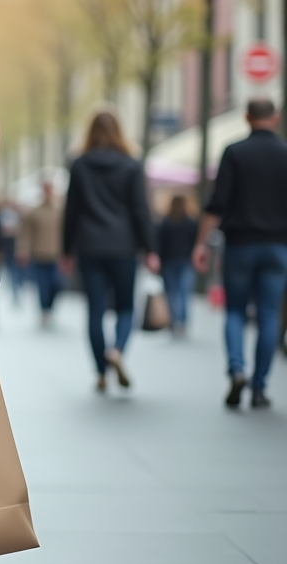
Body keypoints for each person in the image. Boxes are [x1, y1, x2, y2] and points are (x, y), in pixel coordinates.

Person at [193, 98, 287, 410]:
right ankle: (259, 387)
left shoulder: (234, 152)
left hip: (239, 246)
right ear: (276, 118)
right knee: (268, 315)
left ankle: (236, 369)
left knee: (234, 311)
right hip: (277, 246)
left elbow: (217, 203)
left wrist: (201, 244)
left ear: (247, 118)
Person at [62, 106, 157, 393]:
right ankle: (117, 350)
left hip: (90, 246)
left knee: (96, 309)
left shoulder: (78, 164)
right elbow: (141, 210)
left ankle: (101, 373)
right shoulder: (131, 164)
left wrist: (66, 250)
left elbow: (71, 211)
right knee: (126, 306)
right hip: (124, 246)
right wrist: (150, 248)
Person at [17, 180, 63, 328]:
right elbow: (26, 233)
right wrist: (23, 250)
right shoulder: (35, 211)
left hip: (57, 255)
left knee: (57, 284)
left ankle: (50, 307)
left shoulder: (60, 210)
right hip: (39, 254)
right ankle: (44, 311)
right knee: (42, 285)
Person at [156, 194, 198, 338]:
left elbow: (159, 244)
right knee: (184, 293)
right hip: (186, 261)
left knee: (172, 293)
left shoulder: (166, 223)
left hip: (169, 262)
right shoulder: (191, 223)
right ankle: (183, 321)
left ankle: (175, 322)